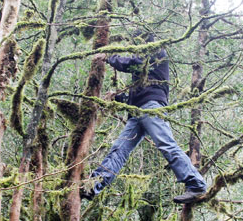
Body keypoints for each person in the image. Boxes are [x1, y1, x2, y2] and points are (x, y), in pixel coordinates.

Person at [81, 32, 207, 204]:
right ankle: (93, 186)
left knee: (165, 143)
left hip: (151, 108)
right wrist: (118, 97)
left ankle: (196, 184)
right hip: (138, 112)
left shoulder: (155, 52)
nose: (134, 47)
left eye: (136, 42)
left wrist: (109, 57)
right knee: (119, 149)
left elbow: (135, 65)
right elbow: (138, 92)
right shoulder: (143, 62)